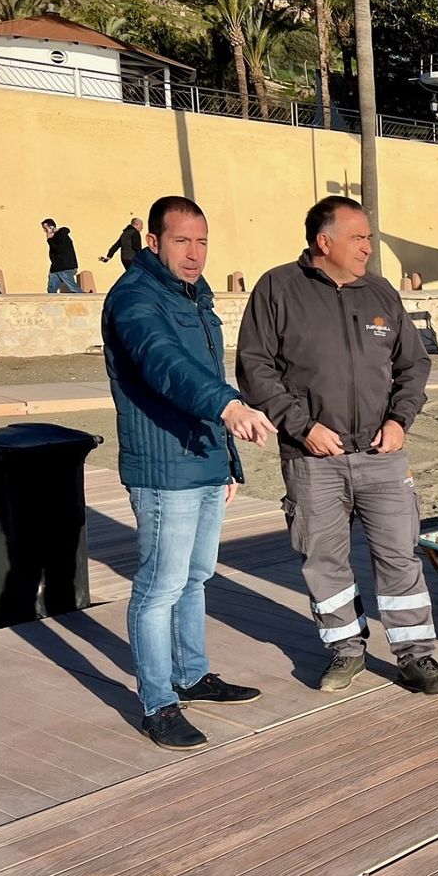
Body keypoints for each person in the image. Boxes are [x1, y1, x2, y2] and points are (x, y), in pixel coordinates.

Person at [236, 195, 438, 696]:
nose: (368, 247)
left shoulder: (380, 294)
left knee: (399, 556)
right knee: (323, 560)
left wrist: (401, 420)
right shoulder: (278, 289)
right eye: (359, 238)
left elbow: (413, 366)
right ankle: (345, 650)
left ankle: (416, 658)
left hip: (382, 456)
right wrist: (302, 426)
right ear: (324, 240)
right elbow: (255, 369)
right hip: (313, 459)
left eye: (369, 238)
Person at [102, 195, 276, 750]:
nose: (195, 252)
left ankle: (192, 674)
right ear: (152, 242)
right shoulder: (134, 298)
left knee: (196, 578)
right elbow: (164, 365)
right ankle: (158, 703)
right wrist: (230, 409)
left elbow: (204, 373)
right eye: (181, 240)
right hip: (163, 468)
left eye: (202, 241)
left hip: (202, 458)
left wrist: (226, 461)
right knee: (159, 587)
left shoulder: (194, 298)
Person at [42, 218, 80, 293]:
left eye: (45, 228)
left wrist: (49, 239)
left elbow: (59, 249)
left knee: (73, 288)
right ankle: (51, 303)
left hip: (64, 266)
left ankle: (84, 299)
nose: (44, 231)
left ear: (51, 227)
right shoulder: (56, 236)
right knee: (51, 288)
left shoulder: (61, 235)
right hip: (56, 267)